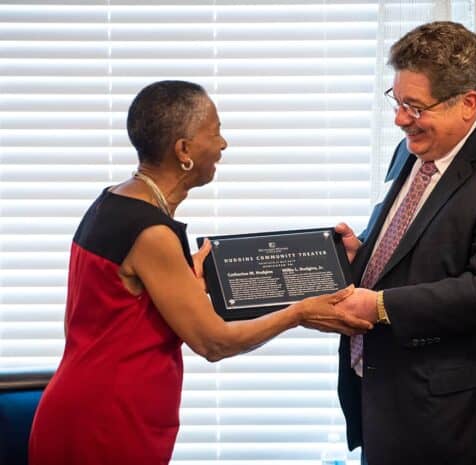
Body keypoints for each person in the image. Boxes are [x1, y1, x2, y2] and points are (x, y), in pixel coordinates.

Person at [28, 80, 372, 465]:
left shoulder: (114, 202)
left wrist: (182, 284)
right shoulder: (152, 233)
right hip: (107, 418)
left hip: (88, 401)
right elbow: (214, 343)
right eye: (216, 132)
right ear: (184, 150)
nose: (223, 144)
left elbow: (118, 307)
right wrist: (299, 313)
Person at [333, 21, 476, 465]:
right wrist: (363, 257)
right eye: (397, 102)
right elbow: (421, 244)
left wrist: (379, 306)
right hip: (394, 408)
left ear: (468, 103)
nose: (401, 119)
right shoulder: (418, 145)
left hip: (469, 427)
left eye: (414, 107)